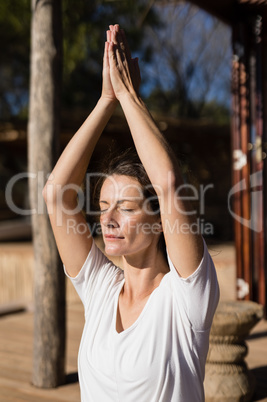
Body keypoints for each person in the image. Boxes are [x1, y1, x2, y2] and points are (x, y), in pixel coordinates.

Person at [43, 24, 219, 402]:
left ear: (160, 221)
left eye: (124, 208)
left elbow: (169, 184)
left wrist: (128, 97)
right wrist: (105, 101)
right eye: (104, 207)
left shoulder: (186, 297)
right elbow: (56, 195)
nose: (107, 220)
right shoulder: (101, 288)